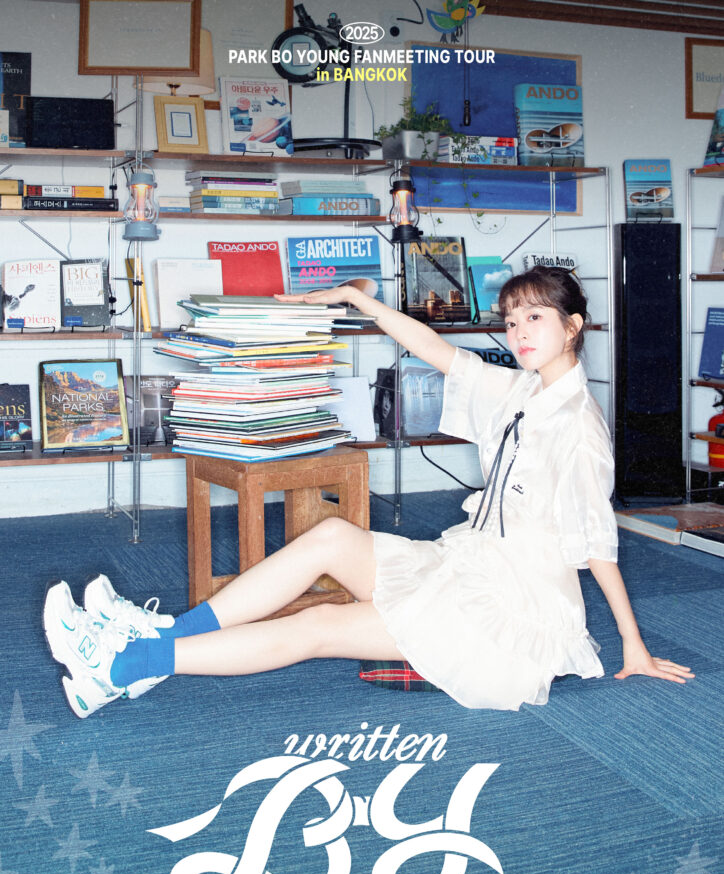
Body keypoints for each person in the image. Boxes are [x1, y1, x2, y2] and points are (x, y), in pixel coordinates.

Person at [43, 267, 693, 719]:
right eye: (511, 319)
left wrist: (632, 644)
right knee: (329, 537)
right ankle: (159, 635)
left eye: (536, 318)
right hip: (471, 562)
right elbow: (438, 351)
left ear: (573, 326)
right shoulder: (523, 388)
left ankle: (119, 668)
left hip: (512, 611)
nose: (518, 332)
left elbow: (596, 544)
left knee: (319, 625)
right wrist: (360, 303)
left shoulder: (579, 426)